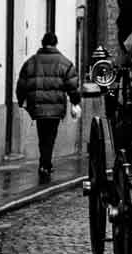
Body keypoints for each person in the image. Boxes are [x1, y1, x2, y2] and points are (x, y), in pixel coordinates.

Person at [15, 32, 82, 183]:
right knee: (50, 136)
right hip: (56, 107)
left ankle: (45, 163)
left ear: (42, 43)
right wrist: (75, 101)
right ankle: (45, 163)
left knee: (42, 136)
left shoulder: (31, 62)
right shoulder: (65, 63)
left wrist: (21, 101)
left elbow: (21, 85)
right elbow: (72, 86)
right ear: (56, 43)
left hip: (38, 107)